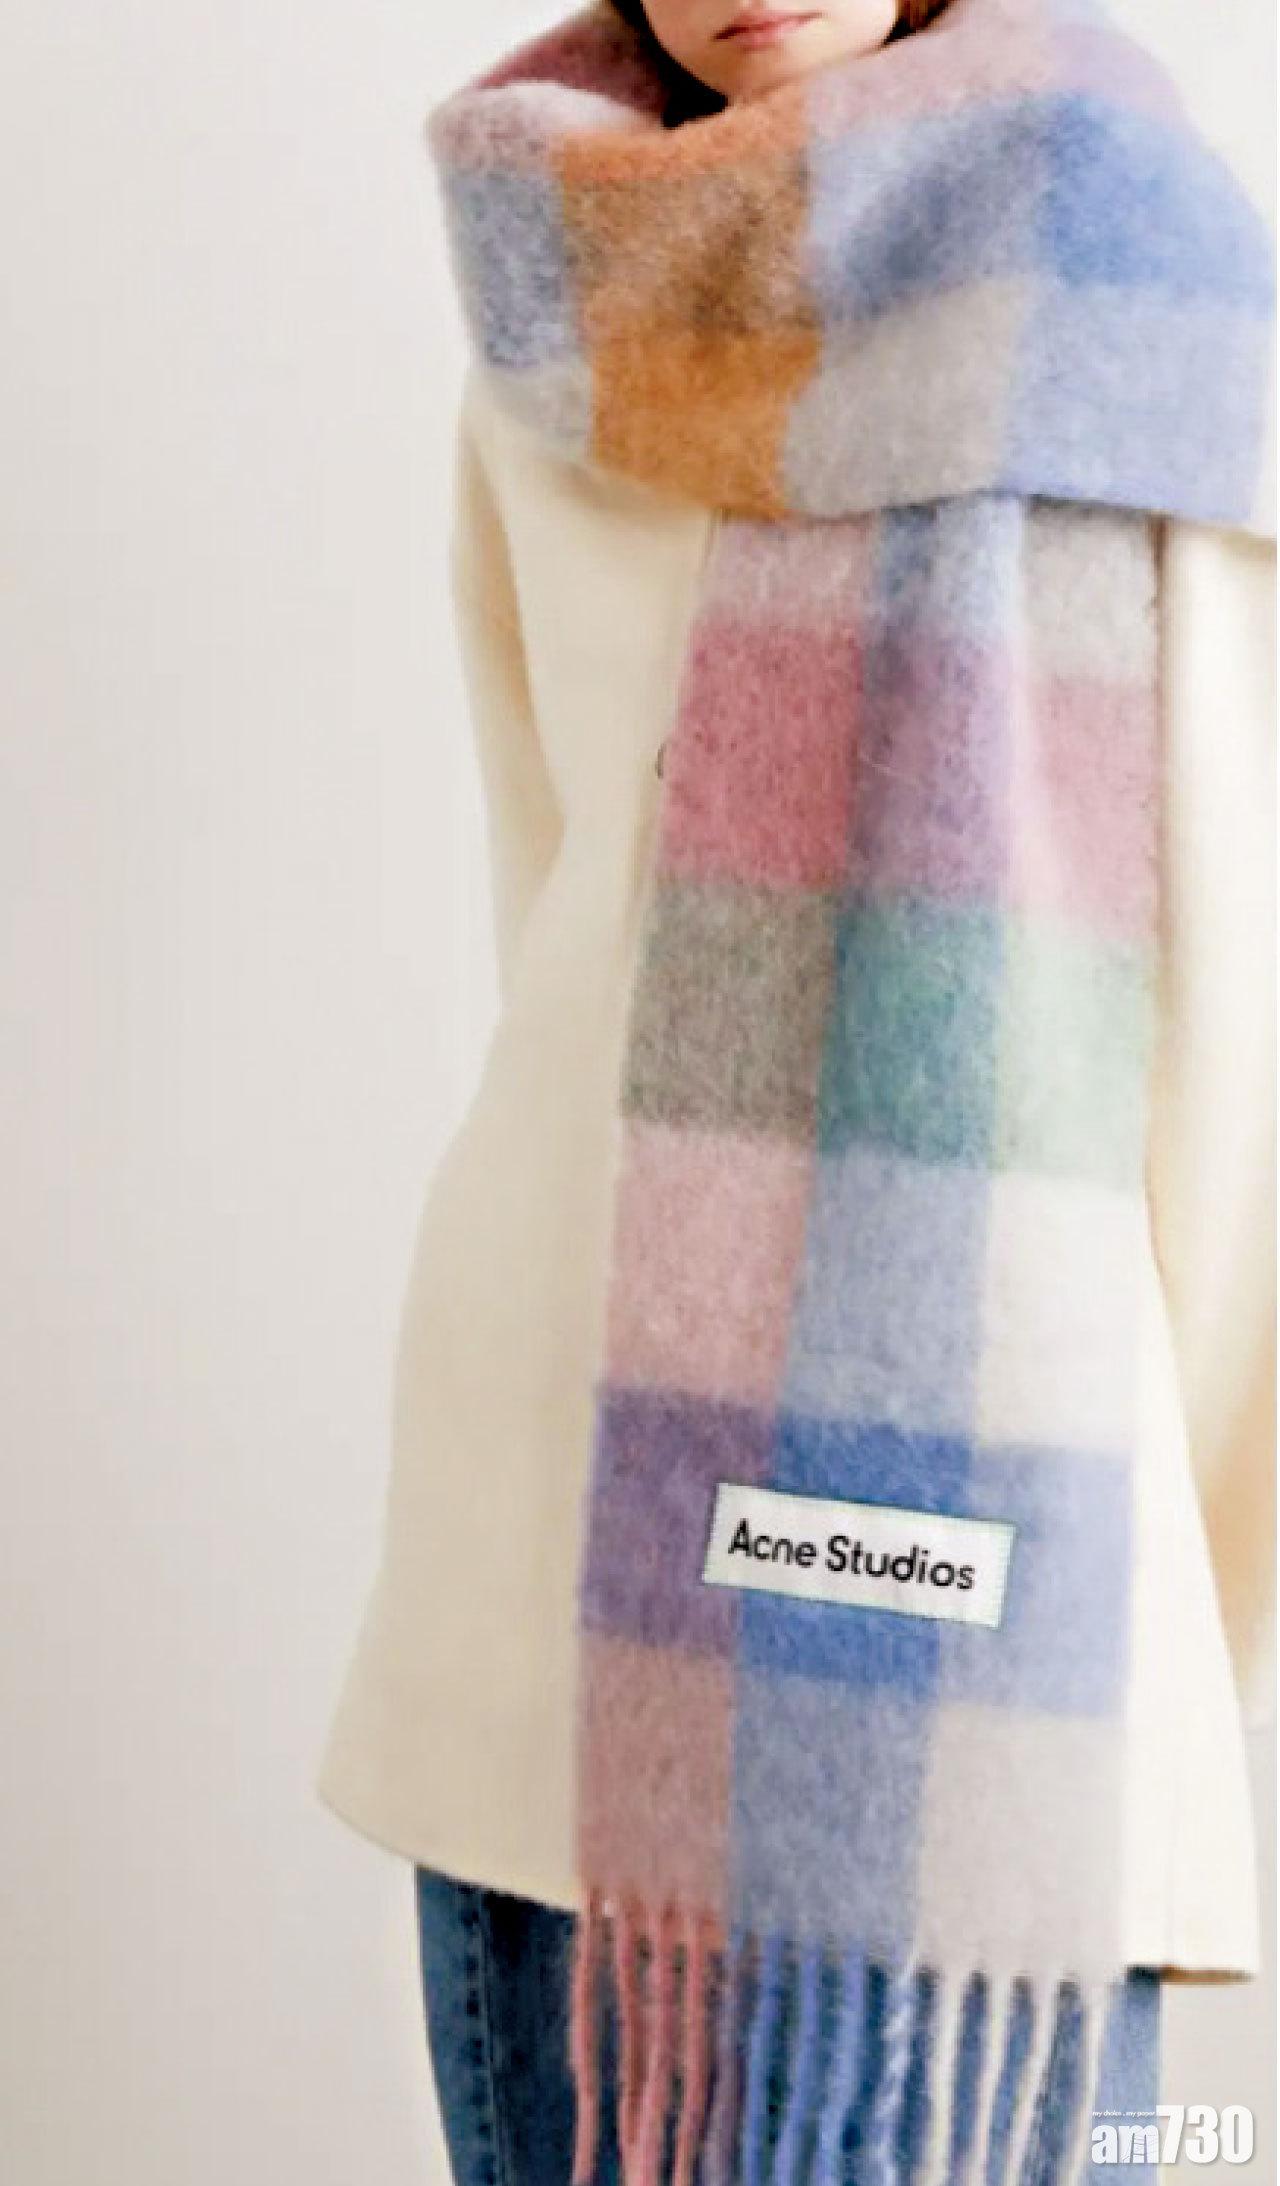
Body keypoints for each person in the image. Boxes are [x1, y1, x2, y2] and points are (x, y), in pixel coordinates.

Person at [316, 3, 1277, 2180]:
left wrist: (1143, 1617)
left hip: (1008, 1656)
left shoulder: (1138, 276)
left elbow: (1240, 1048)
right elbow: (556, 924)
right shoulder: (555, 279)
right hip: (548, 1613)